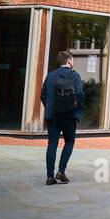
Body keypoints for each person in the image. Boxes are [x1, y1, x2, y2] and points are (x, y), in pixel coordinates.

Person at [40, 49, 85, 185]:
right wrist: (76, 109)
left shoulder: (50, 76)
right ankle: (61, 171)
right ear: (69, 61)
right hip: (69, 116)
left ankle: (49, 176)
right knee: (69, 142)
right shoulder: (75, 75)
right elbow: (79, 95)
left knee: (52, 143)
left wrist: (50, 107)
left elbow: (43, 95)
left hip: (53, 116)